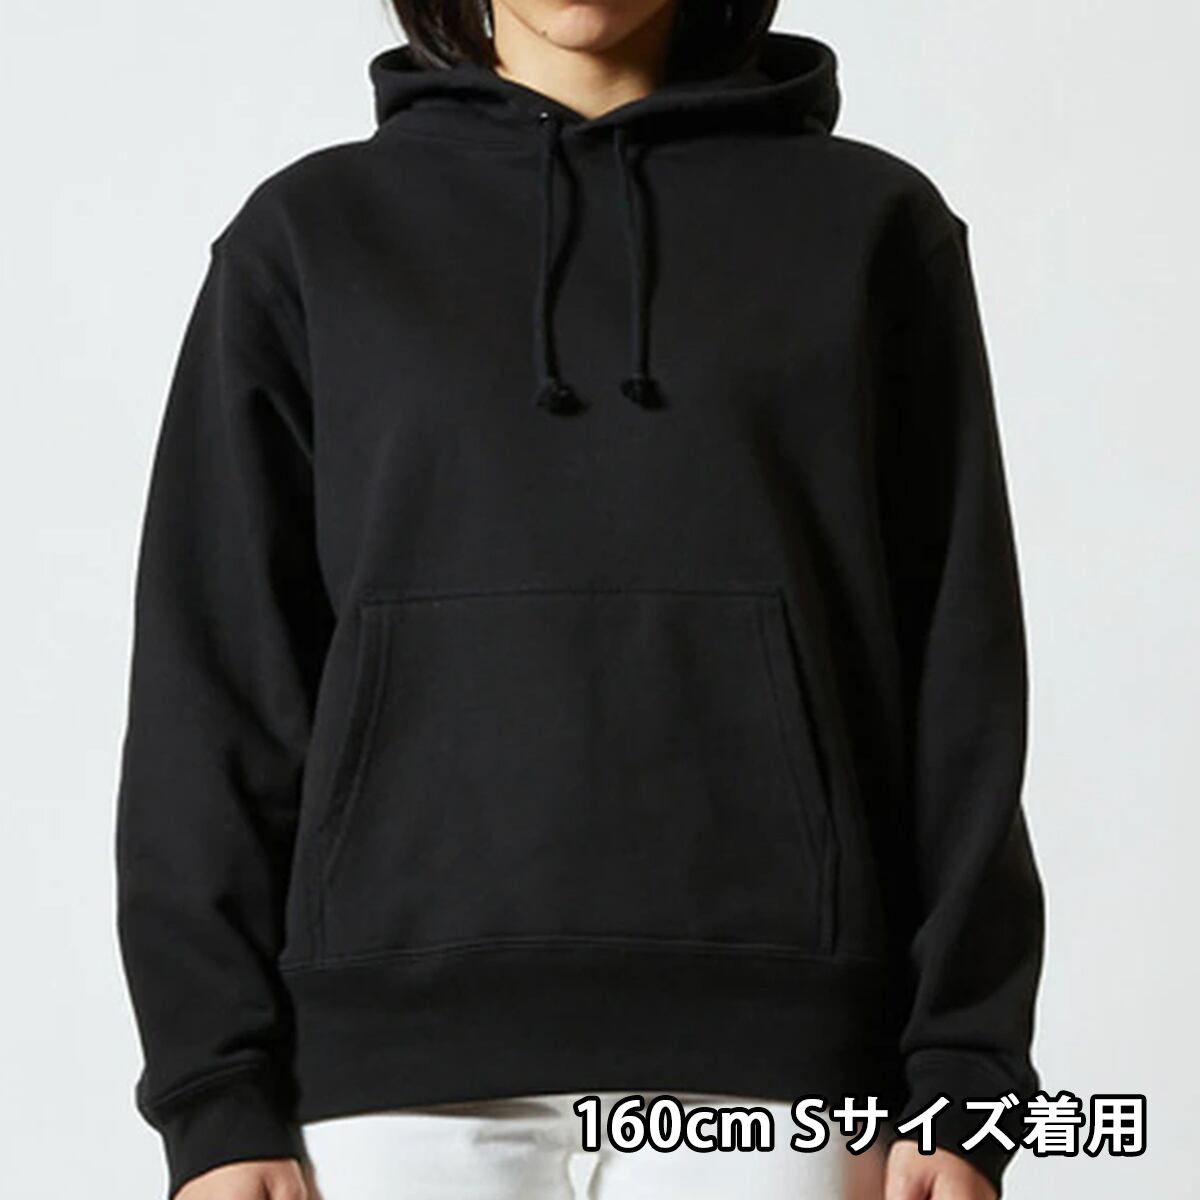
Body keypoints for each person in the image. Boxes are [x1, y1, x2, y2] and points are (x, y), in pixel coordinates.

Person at [113, 2, 1046, 1198]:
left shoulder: (870, 226)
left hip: (783, 1073)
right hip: (389, 1083)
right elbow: (216, 682)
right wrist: (214, 1097)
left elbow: (959, 668)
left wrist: (966, 1078)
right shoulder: (310, 235)